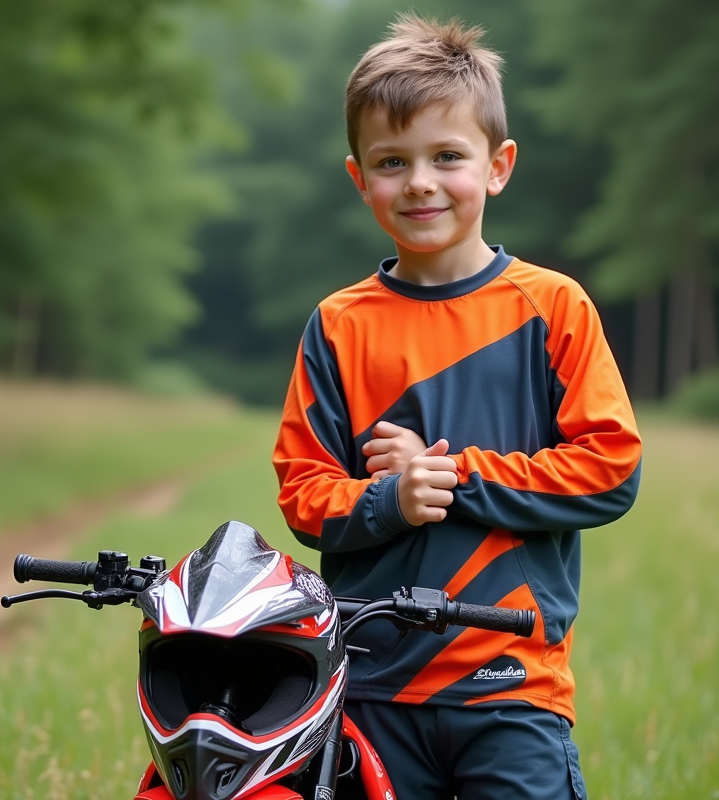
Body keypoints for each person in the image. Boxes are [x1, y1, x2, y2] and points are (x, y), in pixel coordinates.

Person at [271, 12, 643, 800]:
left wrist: (453, 477)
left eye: (448, 157)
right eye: (392, 162)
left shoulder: (553, 307)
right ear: (358, 178)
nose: (420, 183)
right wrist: (390, 499)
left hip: (512, 686)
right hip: (371, 688)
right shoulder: (340, 323)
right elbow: (303, 496)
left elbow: (609, 469)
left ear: (498, 165)